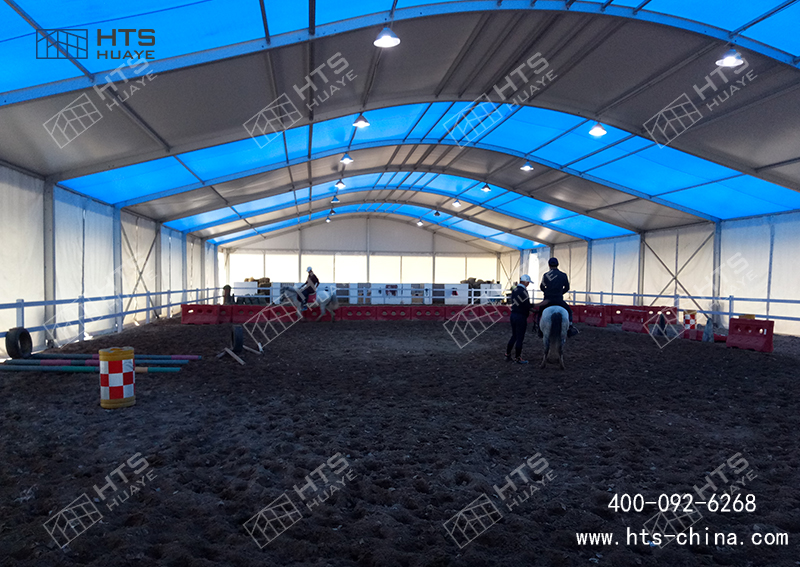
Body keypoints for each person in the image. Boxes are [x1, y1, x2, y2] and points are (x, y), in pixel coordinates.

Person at [536, 257, 579, 338]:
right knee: (569, 312)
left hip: (548, 300)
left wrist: (547, 293)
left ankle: (539, 329)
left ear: (549, 265)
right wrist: (560, 293)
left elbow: (542, 287)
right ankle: (570, 327)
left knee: (540, 313)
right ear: (558, 264)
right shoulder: (563, 275)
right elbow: (567, 287)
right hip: (559, 299)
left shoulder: (546, 275)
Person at [505, 274, 542, 364]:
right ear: (524, 282)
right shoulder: (524, 292)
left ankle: (507, 354)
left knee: (514, 335)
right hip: (520, 316)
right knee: (520, 337)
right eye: (528, 282)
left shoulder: (514, 290)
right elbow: (527, 305)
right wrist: (537, 306)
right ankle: (518, 357)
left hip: (513, 314)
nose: (528, 284)